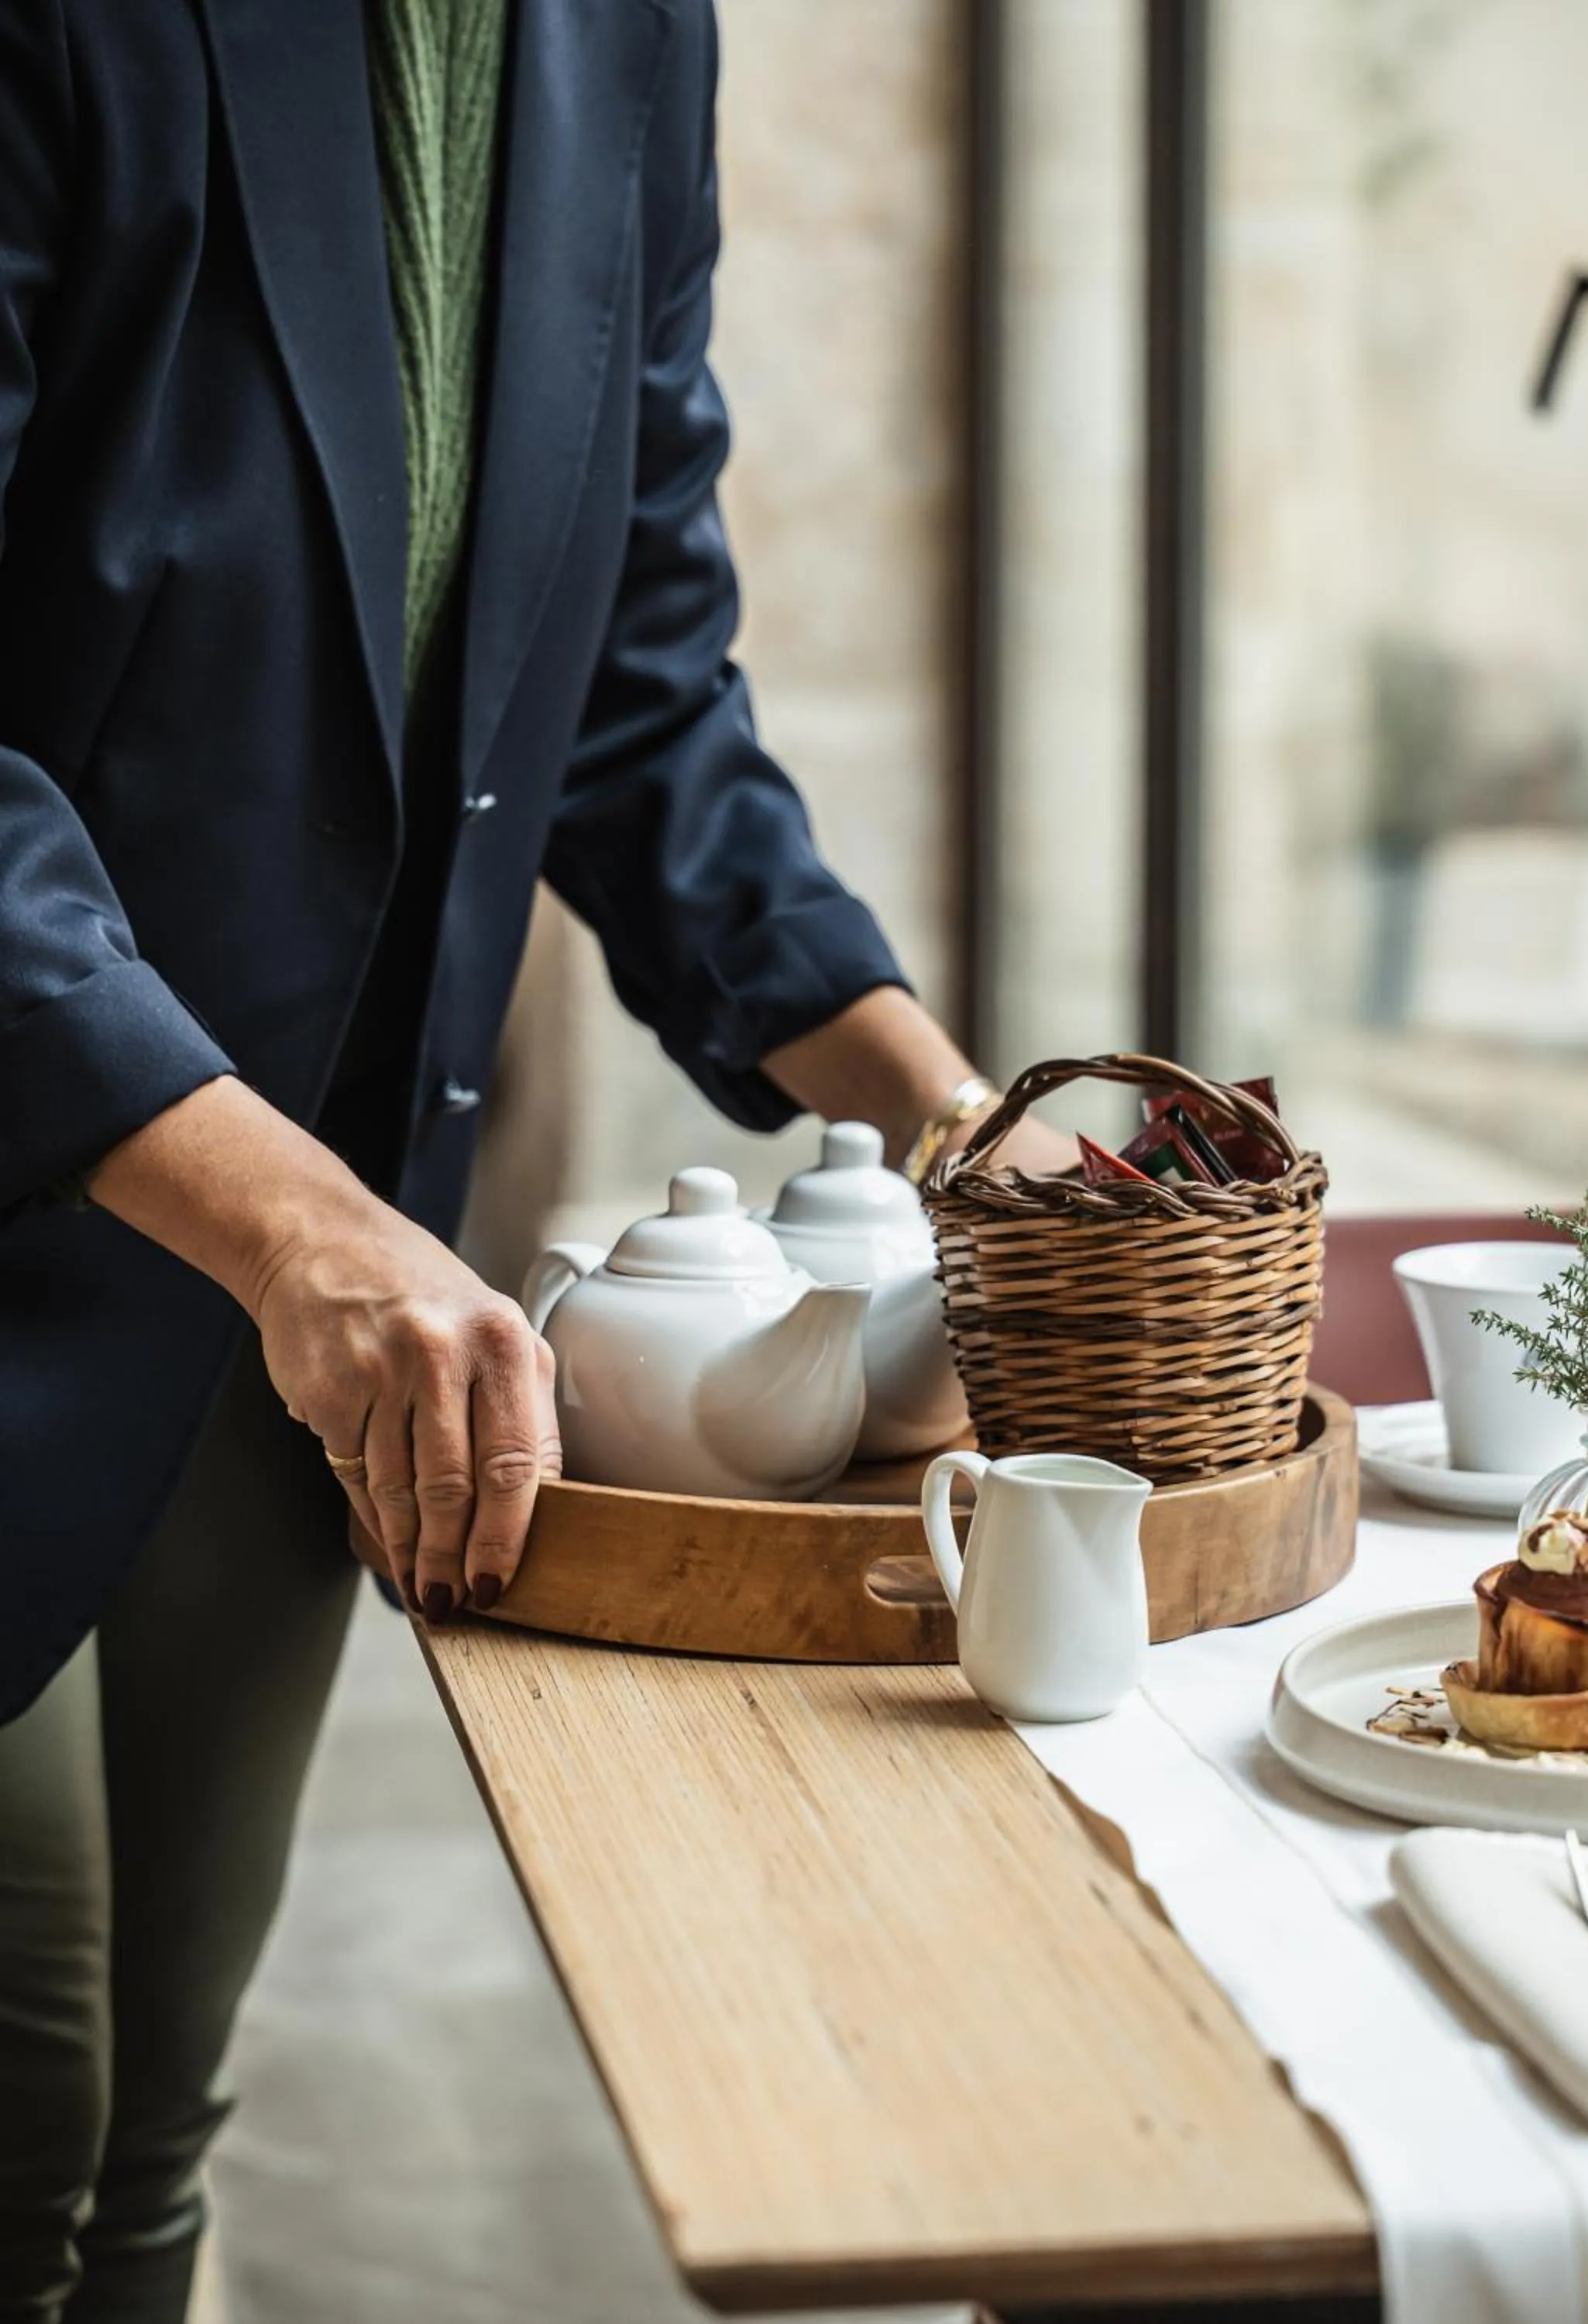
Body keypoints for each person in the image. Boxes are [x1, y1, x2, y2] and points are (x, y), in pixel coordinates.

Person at [0, 5, 1059, 2315]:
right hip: (197, 1207)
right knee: (28, 2116)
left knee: (154, 2134)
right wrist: (302, 1230)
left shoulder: (627, 35)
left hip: (293, 1272)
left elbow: (633, 683)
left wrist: (962, 1125)